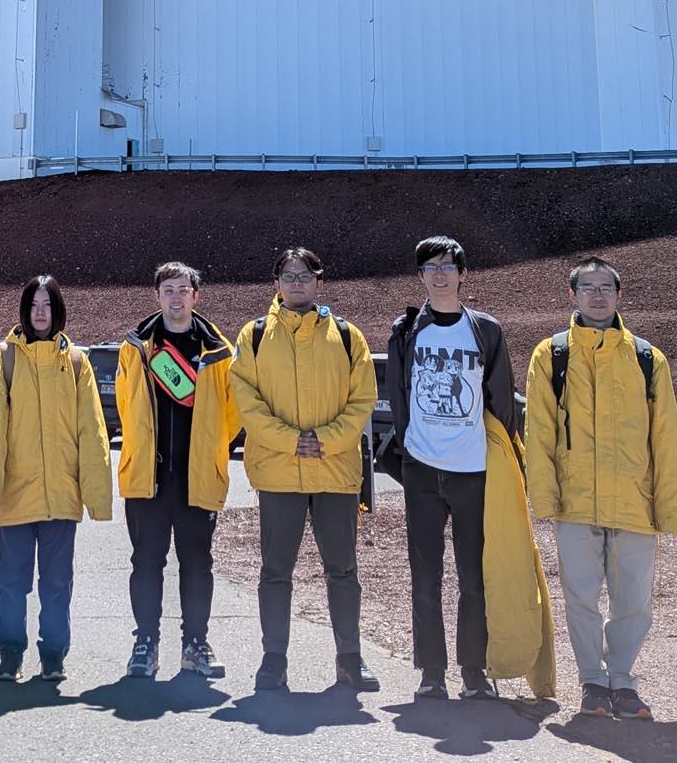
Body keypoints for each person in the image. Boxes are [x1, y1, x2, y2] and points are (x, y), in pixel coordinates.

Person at [525, 257, 677, 722]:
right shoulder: (552, 354)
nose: (597, 295)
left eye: (606, 287)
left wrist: (669, 505)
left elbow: (666, 437)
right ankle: (592, 682)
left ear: (619, 296)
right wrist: (547, 497)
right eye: (587, 287)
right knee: (580, 596)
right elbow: (538, 432)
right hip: (575, 501)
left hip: (634, 500)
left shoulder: (646, 357)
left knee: (633, 599)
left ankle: (622, 679)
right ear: (572, 296)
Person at [228, 248, 378, 692]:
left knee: (343, 571)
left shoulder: (348, 336)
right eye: (289, 275)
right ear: (276, 282)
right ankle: (274, 660)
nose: (297, 283)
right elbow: (247, 403)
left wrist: (326, 440)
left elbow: (362, 398)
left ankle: (350, 659)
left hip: (335, 473)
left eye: (305, 275)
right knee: (275, 571)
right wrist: (293, 440)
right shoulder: (254, 336)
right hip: (279, 472)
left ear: (319, 282)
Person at [381, 235, 518, 702]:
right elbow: (399, 399)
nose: (439, 274)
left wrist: (507, 462)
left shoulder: (486, 330)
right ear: (420, 277)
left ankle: (474, 671)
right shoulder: (405, 331)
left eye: (447, 266)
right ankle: (432, 671)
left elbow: (501, 400)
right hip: (421, 468)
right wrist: (411, 449)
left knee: (473, 575)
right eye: (429, 267)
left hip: (471, 469)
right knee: (425, 575)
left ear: (463, 274)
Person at [0, 275, 112, 682]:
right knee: (12, 584)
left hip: (60, 497)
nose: (39, 312)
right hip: (15, 495)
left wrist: (96, 495)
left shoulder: (75, 363)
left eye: (47, 305)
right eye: (33, 305)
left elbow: (92, 431)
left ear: (58, 310)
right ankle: (10, 654)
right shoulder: (7, 360)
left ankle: (53, 656)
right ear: (24, 310)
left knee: (56, 584)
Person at [114, 260, 238, 680]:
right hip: (148, 478)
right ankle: (145, 642)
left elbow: (233, 413)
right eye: (168, 289)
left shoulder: (218, 352)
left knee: (197, 564)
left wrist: (211, 451)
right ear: (157, 296)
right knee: (146, 563)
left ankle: (195, 643)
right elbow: (125, 407)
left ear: (196, 296)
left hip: (196, 477)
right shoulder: (136, 346)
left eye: (183, 289)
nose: (176, 297)